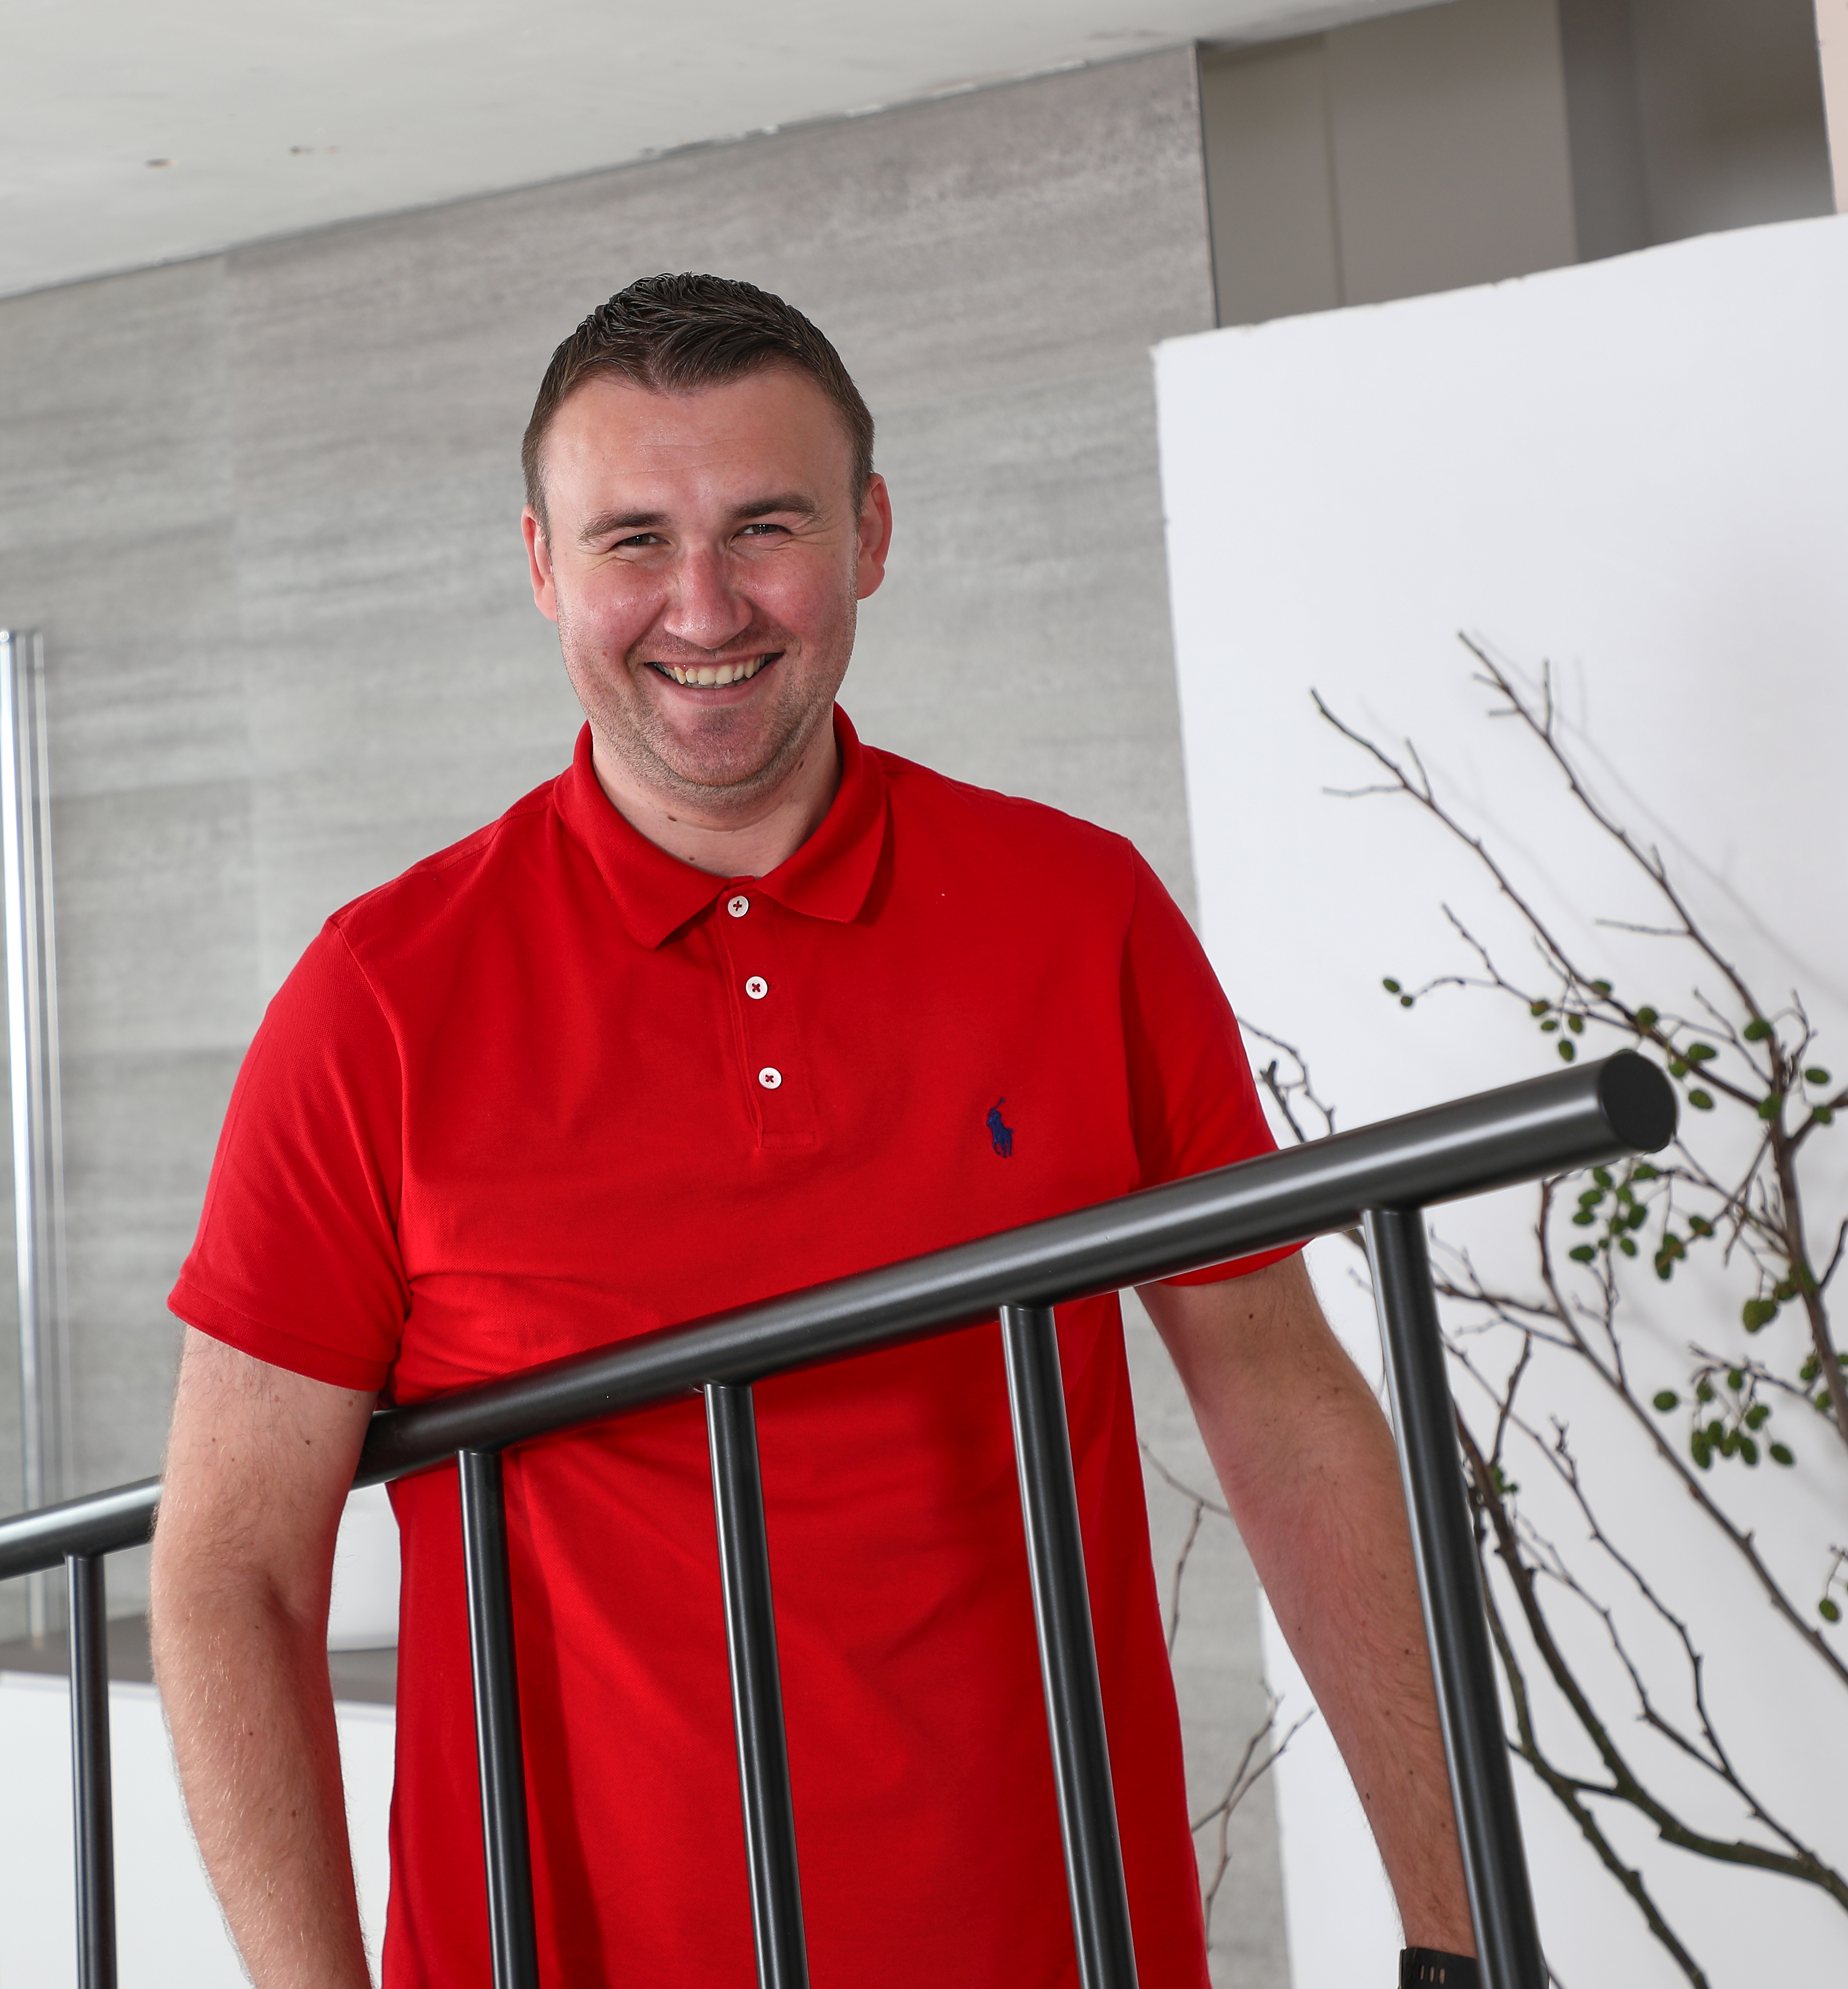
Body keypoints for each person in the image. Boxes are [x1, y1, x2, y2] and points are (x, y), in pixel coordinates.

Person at [149, 273, 1476, 1988]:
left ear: (869, 534)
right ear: (543, 568)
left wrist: (1456, 1926)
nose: (701, 603)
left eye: (762, 524)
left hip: (1066, 1940)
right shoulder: (379, 1003)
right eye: (631, 537)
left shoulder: (1081, 916)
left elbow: (1284, 1405)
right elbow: (233, 1566)